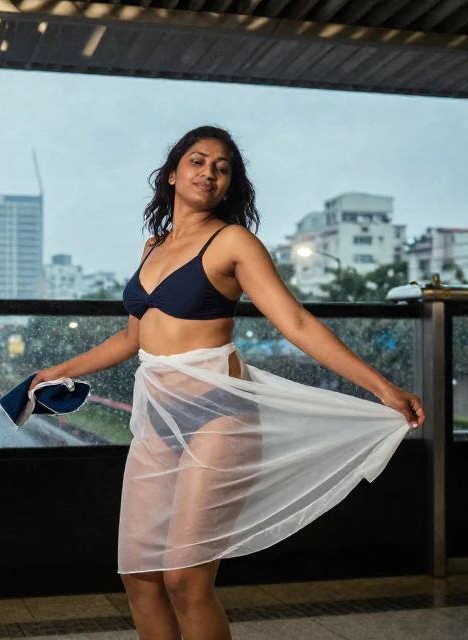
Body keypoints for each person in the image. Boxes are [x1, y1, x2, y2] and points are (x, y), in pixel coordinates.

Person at [28, 126, 424, 640]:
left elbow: (297, 324)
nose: (208, 173)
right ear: (173, 173)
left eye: (221, 168)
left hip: (218, 416)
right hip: (157, 422)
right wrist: (58, 371)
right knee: (140, 577)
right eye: (197, 161)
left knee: (186, 581)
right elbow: (132, 339)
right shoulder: (153, 246)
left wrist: (384, 389)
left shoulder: (232, 242)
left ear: (229, 184)